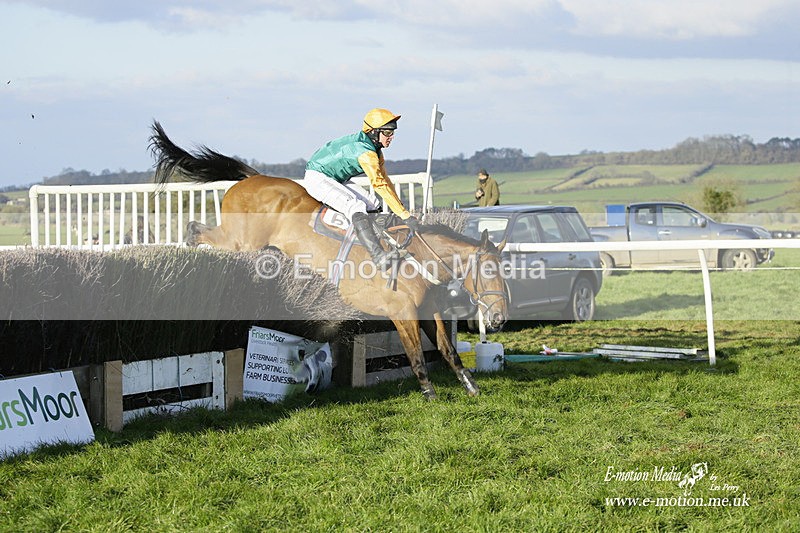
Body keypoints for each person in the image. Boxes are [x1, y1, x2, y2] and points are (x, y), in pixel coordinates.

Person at [303, 108, 420, 268]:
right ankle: (378, 256)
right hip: (317, 178)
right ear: (373, 132)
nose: (391, 137)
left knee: (372, 203)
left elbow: (386, 182)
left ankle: (382, 241)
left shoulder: (376, 152)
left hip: (335, 178)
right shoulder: (367, 153)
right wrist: (405, 216)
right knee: (356, 206)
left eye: (392, 132)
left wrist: (402, 211)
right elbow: (378, 184)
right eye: (387, 132)